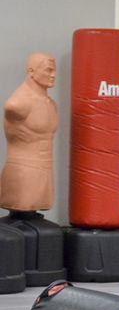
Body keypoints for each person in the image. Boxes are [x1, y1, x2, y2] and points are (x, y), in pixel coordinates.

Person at [1, 53, 57, 211]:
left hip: (45, 169)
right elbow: (11, 107)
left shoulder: (51, 104)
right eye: (48, 70)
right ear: (31, 72)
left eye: (54, 71)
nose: (53, 75)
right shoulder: (17, 104)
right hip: (23, 171)